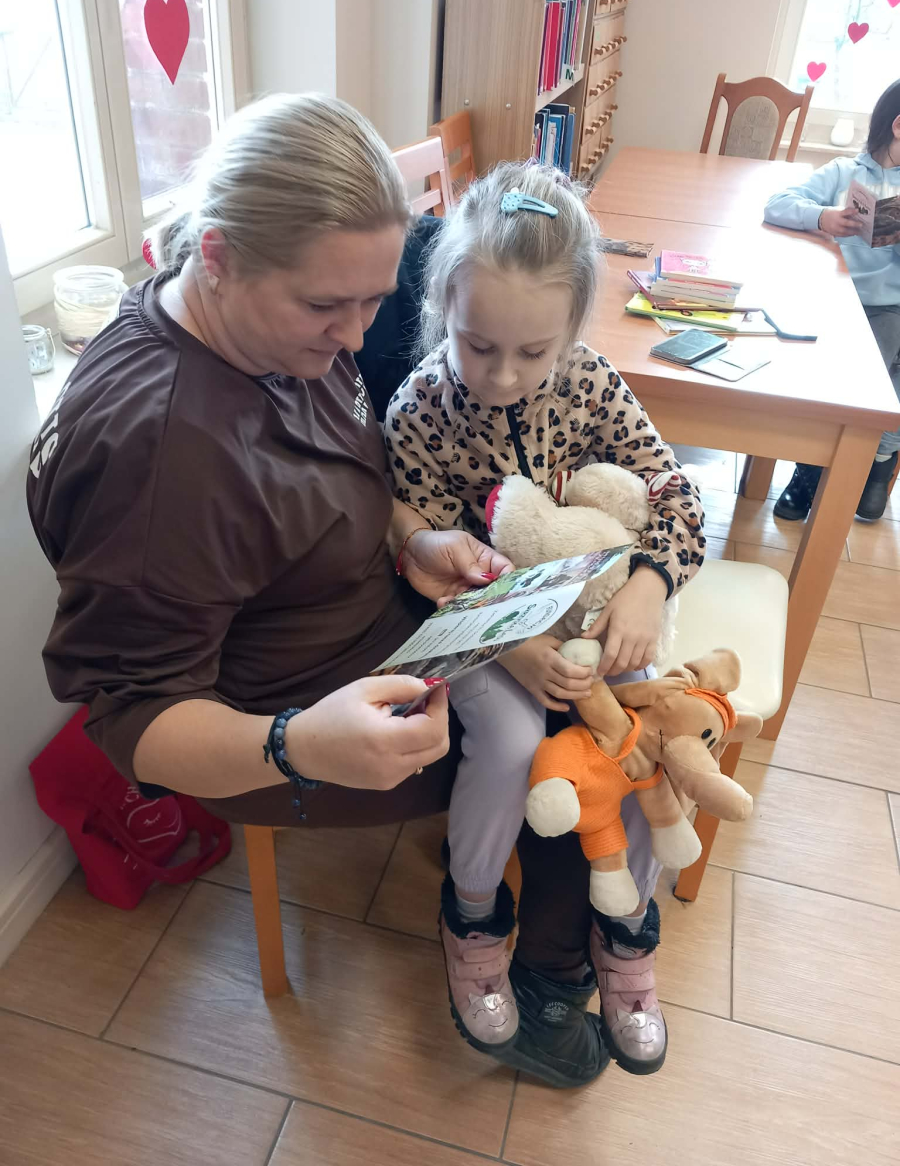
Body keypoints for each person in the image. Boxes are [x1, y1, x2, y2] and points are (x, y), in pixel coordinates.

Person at [26, 93, 652, 1092]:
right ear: (218, 255)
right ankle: (533, 967)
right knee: (575, 756)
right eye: (328, 308)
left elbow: (321, 496)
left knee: (600, 708)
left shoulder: (257, 322)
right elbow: (132, 718)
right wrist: (296, 746)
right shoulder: (161, 459)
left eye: (374, 301)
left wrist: (411, 540)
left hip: (387, 611)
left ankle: (557, 941)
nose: (359, 339)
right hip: (294, 718)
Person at [385, 161, 707, 1075]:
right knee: (512, 741)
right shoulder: (420, 411)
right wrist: (519, 649)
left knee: (638, 738)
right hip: (490, 636)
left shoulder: (592, 384)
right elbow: (421, 563)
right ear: (443, 305)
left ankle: (627, 932)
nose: (503, 375)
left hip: (601, 626)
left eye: (534, 352)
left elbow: (677, 494)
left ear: (572, 330)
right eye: (477, 344)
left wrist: (649, 585)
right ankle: (473, 917)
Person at [764, 78, 900, 521]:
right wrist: (822, 216)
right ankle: (813, 469)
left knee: (877, 368)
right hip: (838, 299)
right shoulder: (844, 172)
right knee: (841, 370)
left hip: (888, 306)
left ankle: (874, 463)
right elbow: (777, 204)